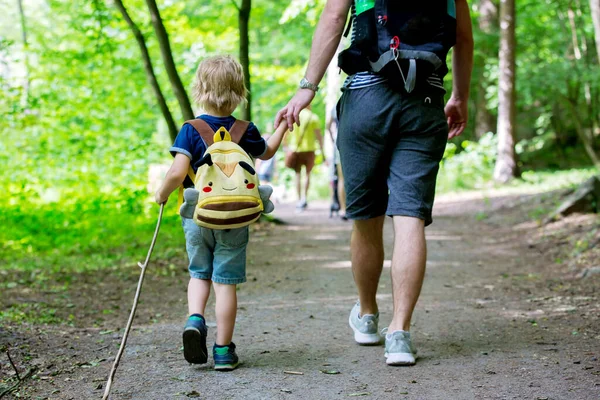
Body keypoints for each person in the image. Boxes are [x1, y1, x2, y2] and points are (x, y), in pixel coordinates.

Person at [275, 0, 473, 366]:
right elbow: (462, 35)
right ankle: (400, 332)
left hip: (366, 98)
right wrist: (460, 96)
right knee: (410, 217)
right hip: (426, 101)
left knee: (366, 218)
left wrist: (307, 88)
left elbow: (335, 17)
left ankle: (367, 316)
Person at [155, 55, 286, 371]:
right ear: (240, 92)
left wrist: (161, 194)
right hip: (236, 217)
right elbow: (267, 151)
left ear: (199, 89)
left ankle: (196, 319)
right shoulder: (245, 129)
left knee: (199, 273)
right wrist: (282, 126)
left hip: (197, 216)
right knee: (225, 283)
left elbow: (176, 172)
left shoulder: (190, 130)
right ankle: (224, 351)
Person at [284, 105, 326, 210]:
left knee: (297, 174)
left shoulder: (293, 116)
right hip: (309, 150)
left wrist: (286, 148)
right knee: (308, 174)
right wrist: (323, 152)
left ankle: (298, 200)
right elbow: (319, 136)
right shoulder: (313, 117)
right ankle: (304, 199)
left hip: (295, 149)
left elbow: (285, 135)